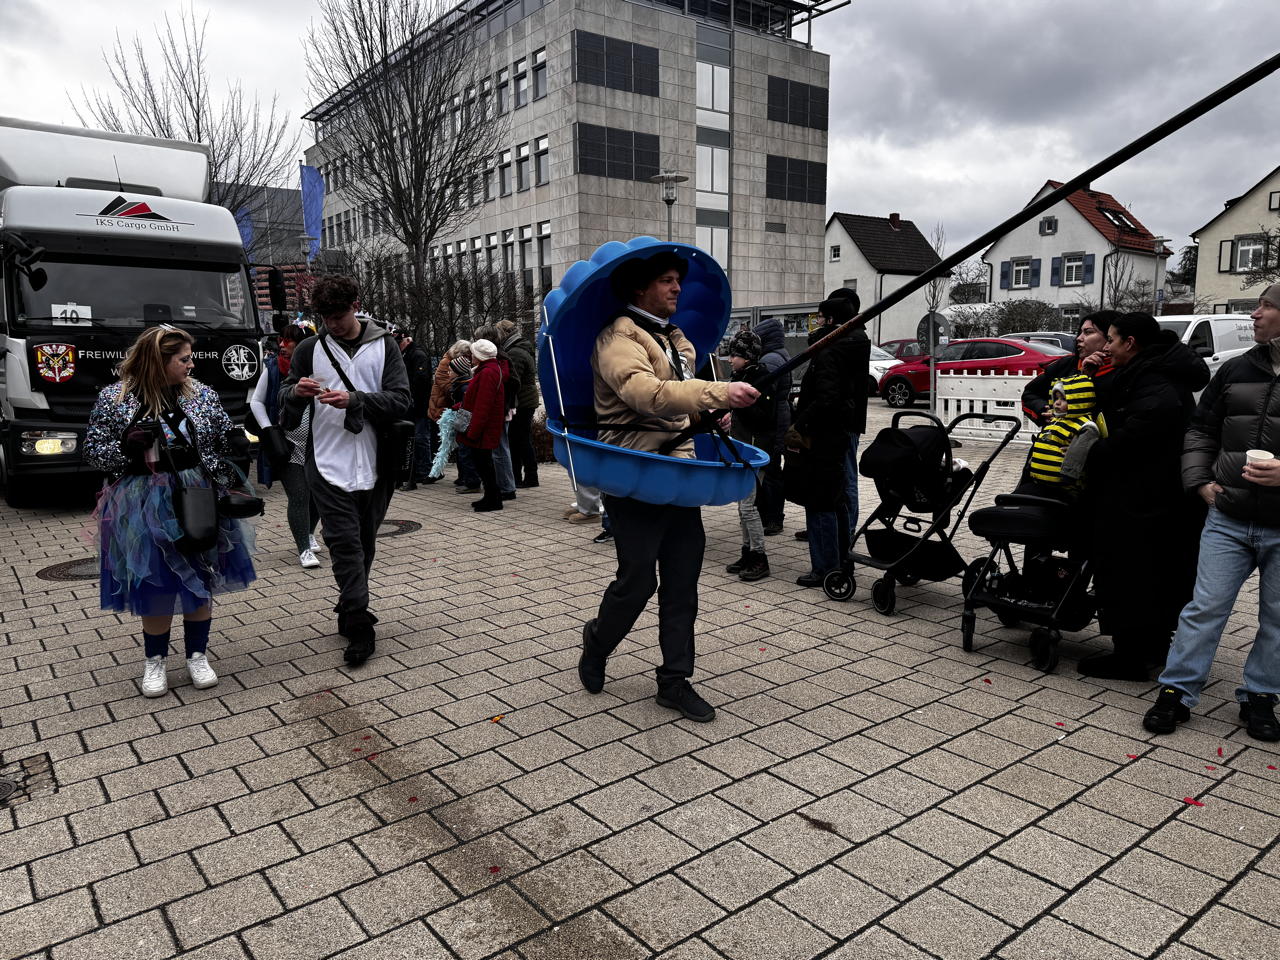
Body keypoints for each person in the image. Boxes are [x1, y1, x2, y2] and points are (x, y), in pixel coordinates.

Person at [578, 252, 758, 722]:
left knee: (682, 585)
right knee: (637, 581)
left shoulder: (675, 340)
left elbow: (676, 411)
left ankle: (674, 681)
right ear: (639, 289)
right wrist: (717, 392)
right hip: (633, 473)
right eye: (666, 280)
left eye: (678, 280)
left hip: (677, 475)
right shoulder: (619, 337)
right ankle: (597, 642)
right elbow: (645, 395)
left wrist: (705, 417)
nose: (677, 288)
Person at [86, 325, 256, 697]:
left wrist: (237, 446)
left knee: (200, 573)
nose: (191, 364)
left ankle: (197, 655)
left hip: (196, 493)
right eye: (183, 359)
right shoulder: (116, 398)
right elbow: (94, 450)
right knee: (156, 580)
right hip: (140, 499)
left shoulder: (203, 395)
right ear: (158, 361)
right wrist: (125, 448)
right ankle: (155, 661)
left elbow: (224, 436)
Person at [1144, 285, 1280, 742]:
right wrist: (1200, 482)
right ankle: (1177, 691)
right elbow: (1201, 429)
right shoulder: (1238, 367)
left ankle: (1260, 697)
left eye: (1266, 306)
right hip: (1229, 516)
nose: (1255, 314)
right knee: (1204, 608)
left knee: (1278, 618)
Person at [279, 275, 411, 666]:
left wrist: (355, 399)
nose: (332, 324)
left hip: (376, 461)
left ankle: (350, 604)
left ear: (356, 304)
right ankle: (359, 625)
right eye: (325, 317)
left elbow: (402, 400)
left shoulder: (384, 344)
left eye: (338, 315)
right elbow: (285, 398)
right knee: (343, 543)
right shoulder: (309, 349)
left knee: (364, 542)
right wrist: (295, 393)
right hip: (327, 462)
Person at [1082, 312, 1209, 680]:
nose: (1106, 347)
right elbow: (1116, 403)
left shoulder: (1155, 379)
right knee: (1151, 572)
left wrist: (1096, 453)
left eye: (1111, 340)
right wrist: (1090, 376)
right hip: (1150, 494)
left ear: (1130, 343)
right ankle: (1150, 647)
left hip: (1145, 498)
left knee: (1133, 571)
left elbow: (1140, 427)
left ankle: (1132, 657)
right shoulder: (1150, 369)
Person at [786, 295, 867, 588]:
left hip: (822, 437)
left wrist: (800, 420)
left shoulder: (830, 350)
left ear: (831, 321)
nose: (817, 322)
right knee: (837, 500)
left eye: (820, 318)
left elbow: (827, 398)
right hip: (837, 432)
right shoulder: (851, 345)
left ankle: (824, 567)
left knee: (820, 502)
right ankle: (842, 562)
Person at [250, 325, 322, 568]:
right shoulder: (272, 369)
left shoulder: (321, 369)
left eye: (289, 341)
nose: (282, 345)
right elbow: (257, 402)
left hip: (318, 445)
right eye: (282, 340)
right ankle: (303, 548)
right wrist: (269, 430)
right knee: (299, 494)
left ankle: (309, 533)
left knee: (318, 495)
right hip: (288, 445)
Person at [723, 328, 773, 581]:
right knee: (743, 508)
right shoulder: (741, 376)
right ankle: (747, 551)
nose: (730, 360)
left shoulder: (760, 378)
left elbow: (764, 417)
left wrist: (741, 404)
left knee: (749, 507)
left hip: (754, 451)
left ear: (748, 356)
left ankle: (759, 557)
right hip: (741, 448)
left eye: (735, 355)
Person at [1022, 311, 1118, 428]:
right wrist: (1044, 410)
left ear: (1110, 337)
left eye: (1088, 333)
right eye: (1080, 332)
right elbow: (1029, 394)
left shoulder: (1124, 372)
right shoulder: (1065, 365)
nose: (1079, 338)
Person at [1024, 375, 1101, 494]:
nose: (1057, 403)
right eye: (1056, 398)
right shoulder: (1056, 421)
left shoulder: (1085, 426)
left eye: (1064, 399)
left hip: (1063, 486)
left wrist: (1069, 475)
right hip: (1040, 481)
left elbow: (1078, 454)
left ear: (1079, 401)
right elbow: (1044, 441)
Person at [753, 316, 792, 535]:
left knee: (771, 471)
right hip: (780, 417)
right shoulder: (778, 355)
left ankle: (773, 517)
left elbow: (763, 394)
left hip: (773, 422)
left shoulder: (769, 360)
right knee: (773, 468)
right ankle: (772, 514)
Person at [459, 339, 508, 512]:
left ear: (479, 355)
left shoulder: (488, 372)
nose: (471, 356)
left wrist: (474, 430)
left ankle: (494, 499)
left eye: (473, 353)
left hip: (483, 426)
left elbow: (483, 404)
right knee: (483, 462)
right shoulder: (487, 370)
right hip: (483, 424)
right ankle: (490, 496)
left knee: (484, 462)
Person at [474, 323, 518, 501]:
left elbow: (514, 382)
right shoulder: (498, 356)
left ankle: (506, 487)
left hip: (500, 409)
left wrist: (504, 402)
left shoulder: (499, 358)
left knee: (499, 449)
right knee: (499, 448)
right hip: (501, 408)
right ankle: (504, 486)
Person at [497, 319, 541, 488]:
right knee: (522, 439)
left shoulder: (514, 352)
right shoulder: (520, 348)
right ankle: (527, 476)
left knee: (519, 440)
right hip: (526, 400)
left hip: (522, 402)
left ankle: (525, 477)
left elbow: (513, 381)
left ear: (505, 334)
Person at [429, 339, 478, 490]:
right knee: (451, 443)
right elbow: (444, 384)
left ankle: (467, 478)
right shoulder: (448, 364)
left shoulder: (462, 381)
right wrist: (454, 391)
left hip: (455, 410)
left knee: (462, 447)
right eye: (467, 354)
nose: (470, 357)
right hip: (443, 406)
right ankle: (463, 477)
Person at [395, 327, 435, 490]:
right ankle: (419, 469)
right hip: (412, 403)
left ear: (407, 340)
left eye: (399, 342)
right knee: (416, 437)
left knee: (421, 437)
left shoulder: (417, 355)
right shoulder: (406, 354)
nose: (398, 345)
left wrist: (410, 395)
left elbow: (421, 380)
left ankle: (426, 470)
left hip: (419, 403)